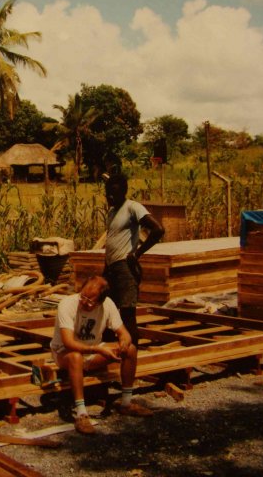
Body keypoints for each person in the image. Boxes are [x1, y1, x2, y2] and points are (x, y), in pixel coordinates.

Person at [103, 173, 165, 414]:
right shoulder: (112, 212)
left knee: (128, 316)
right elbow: (113, 240)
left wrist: (137, 253)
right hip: (111, 268)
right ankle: (109, 368)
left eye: (113, 193)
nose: (109, 197)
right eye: (107, 193)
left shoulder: (133, 207)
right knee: (107, 316)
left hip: (125, 268)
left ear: (123, 192)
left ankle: (130, 370)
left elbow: (158, 229)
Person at [50, 275, 141, 434]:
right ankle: (81, 413)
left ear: (101, 301)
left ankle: (126, 403)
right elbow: (68, 343)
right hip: (64, 353)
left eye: (90, 301)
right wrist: (98, 349)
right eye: (83, 296)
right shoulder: (67, 304)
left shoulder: (108, 305)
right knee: (76, 356)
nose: (84, 302)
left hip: (92, 351)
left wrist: (124, 342)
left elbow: (124, 333)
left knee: (131, 349)